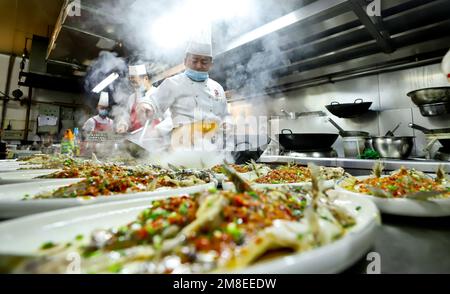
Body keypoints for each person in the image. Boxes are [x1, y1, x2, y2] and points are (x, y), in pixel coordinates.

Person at [134, 41, 230, 149]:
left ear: (211, 64)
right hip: (184, 147)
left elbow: (225, 114)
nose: (198, 66)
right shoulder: (173, 83)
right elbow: (154, 101)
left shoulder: (217, 87)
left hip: (214, 146)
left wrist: (227, 123)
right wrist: (147, 105)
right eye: (194, 61)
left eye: (204, 62)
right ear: (185, 61)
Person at [116, 64, 160, 133]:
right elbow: (126, 116)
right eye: (132, 83)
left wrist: (158, 130)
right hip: (136, 137)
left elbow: (169, 118)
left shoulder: (158, 93)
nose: (134, 86)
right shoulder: (132, 98)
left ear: (145, 78)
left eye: (135, 82)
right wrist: (123, 125)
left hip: (155, 138)